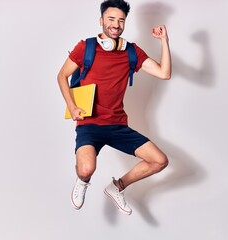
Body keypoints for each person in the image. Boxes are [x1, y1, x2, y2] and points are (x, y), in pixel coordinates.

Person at [57, 0, 171, 215]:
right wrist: (72, 107)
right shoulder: (86, 47)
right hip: (89, 123)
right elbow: (61, 75)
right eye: (111, 19)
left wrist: (164, 41)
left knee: (160, 161)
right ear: (101, 21)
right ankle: (82, 181)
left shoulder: (132, 52)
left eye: (121, 20)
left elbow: (164, 73)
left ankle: (117, 187)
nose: (116, 24)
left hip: (117, 125)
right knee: (86, 169)